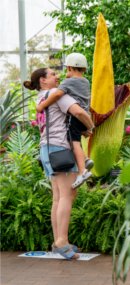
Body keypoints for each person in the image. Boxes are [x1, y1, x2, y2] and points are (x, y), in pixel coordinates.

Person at [24, 67, 95, 260]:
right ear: (43, 81)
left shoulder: (40, 97)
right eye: (52, 74)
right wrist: (90, 126)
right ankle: (62, 241)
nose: (58, 76)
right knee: (67, 194)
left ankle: (58, 241)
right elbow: (79, 112)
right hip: (60, 148)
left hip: (47, 149)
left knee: (57, 196)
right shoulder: (56, 95)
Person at [36, 53, 94, 189]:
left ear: (69, 67)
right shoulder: (85, 81)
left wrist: (42, 105)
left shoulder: (67, 83)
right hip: (84, 116)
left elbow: (57, 94)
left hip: (75, 118)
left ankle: (82, 171)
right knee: (76, 139)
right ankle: (85, 159)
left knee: (74, 143)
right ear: (84, 69)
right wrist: (88, 126)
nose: (59, 76)